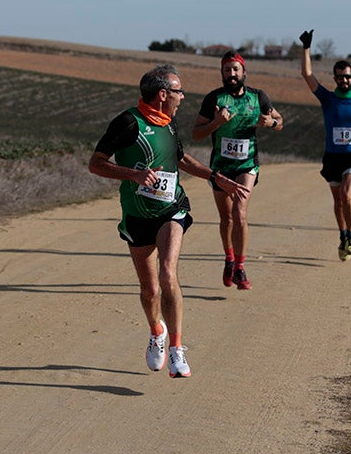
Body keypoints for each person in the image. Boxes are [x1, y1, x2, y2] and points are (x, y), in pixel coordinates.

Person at [89, 63, 250, 378]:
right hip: (136, 214)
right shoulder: (127, 122)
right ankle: (157, 332)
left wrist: (219, 177)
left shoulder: (171, 123)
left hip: (171, 208)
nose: (183, 97)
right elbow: (96, 163)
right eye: (178, 91)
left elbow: (180, 160)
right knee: (149, 289)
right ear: (163, 94)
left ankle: (177, 348)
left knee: (167, 272)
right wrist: (132, 173)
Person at [191, 50, 283, 290]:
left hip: (247, 164)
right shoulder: (214, 99)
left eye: (235, 70)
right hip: (221, 166)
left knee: (240, 212)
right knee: (226, 218)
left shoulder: (258, 97)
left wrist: (271, 123)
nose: (231, 74)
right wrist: (216, 123)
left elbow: (279, 121)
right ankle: (229, 259)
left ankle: (241, 267)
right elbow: (196, 134)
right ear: (221, 73)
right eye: (226, 70)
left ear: (244, 72)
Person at [299, 29, 351, 261]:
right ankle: (343, 235)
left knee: (345, 194)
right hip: (332, 157)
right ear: (335, 78)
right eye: (340, 76)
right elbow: (307, 73)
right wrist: (306, 48)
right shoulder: (327, 98)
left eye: (348, 76)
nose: (344, 80)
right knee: (337, 200)